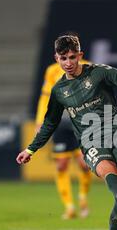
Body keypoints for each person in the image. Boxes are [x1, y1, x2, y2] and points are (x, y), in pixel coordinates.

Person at [17, 34, 117, 230]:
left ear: (80, 55)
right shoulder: (59, 90)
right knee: (111, 175)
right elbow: (50, 123)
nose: (68, 62)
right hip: (91, 140)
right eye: (63, 58)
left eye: (72, 57)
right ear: (56, 59)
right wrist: (30, 149)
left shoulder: (98, 72)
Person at [36, 59, 92, 220]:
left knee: (84, 164)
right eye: (60, 54)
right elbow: (45, 97)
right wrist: (40, 120)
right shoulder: (52, 70)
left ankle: (83, 198)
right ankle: (69, 207)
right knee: (61, 165)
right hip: (60, 122)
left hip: (80, 122)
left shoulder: (88, 67)